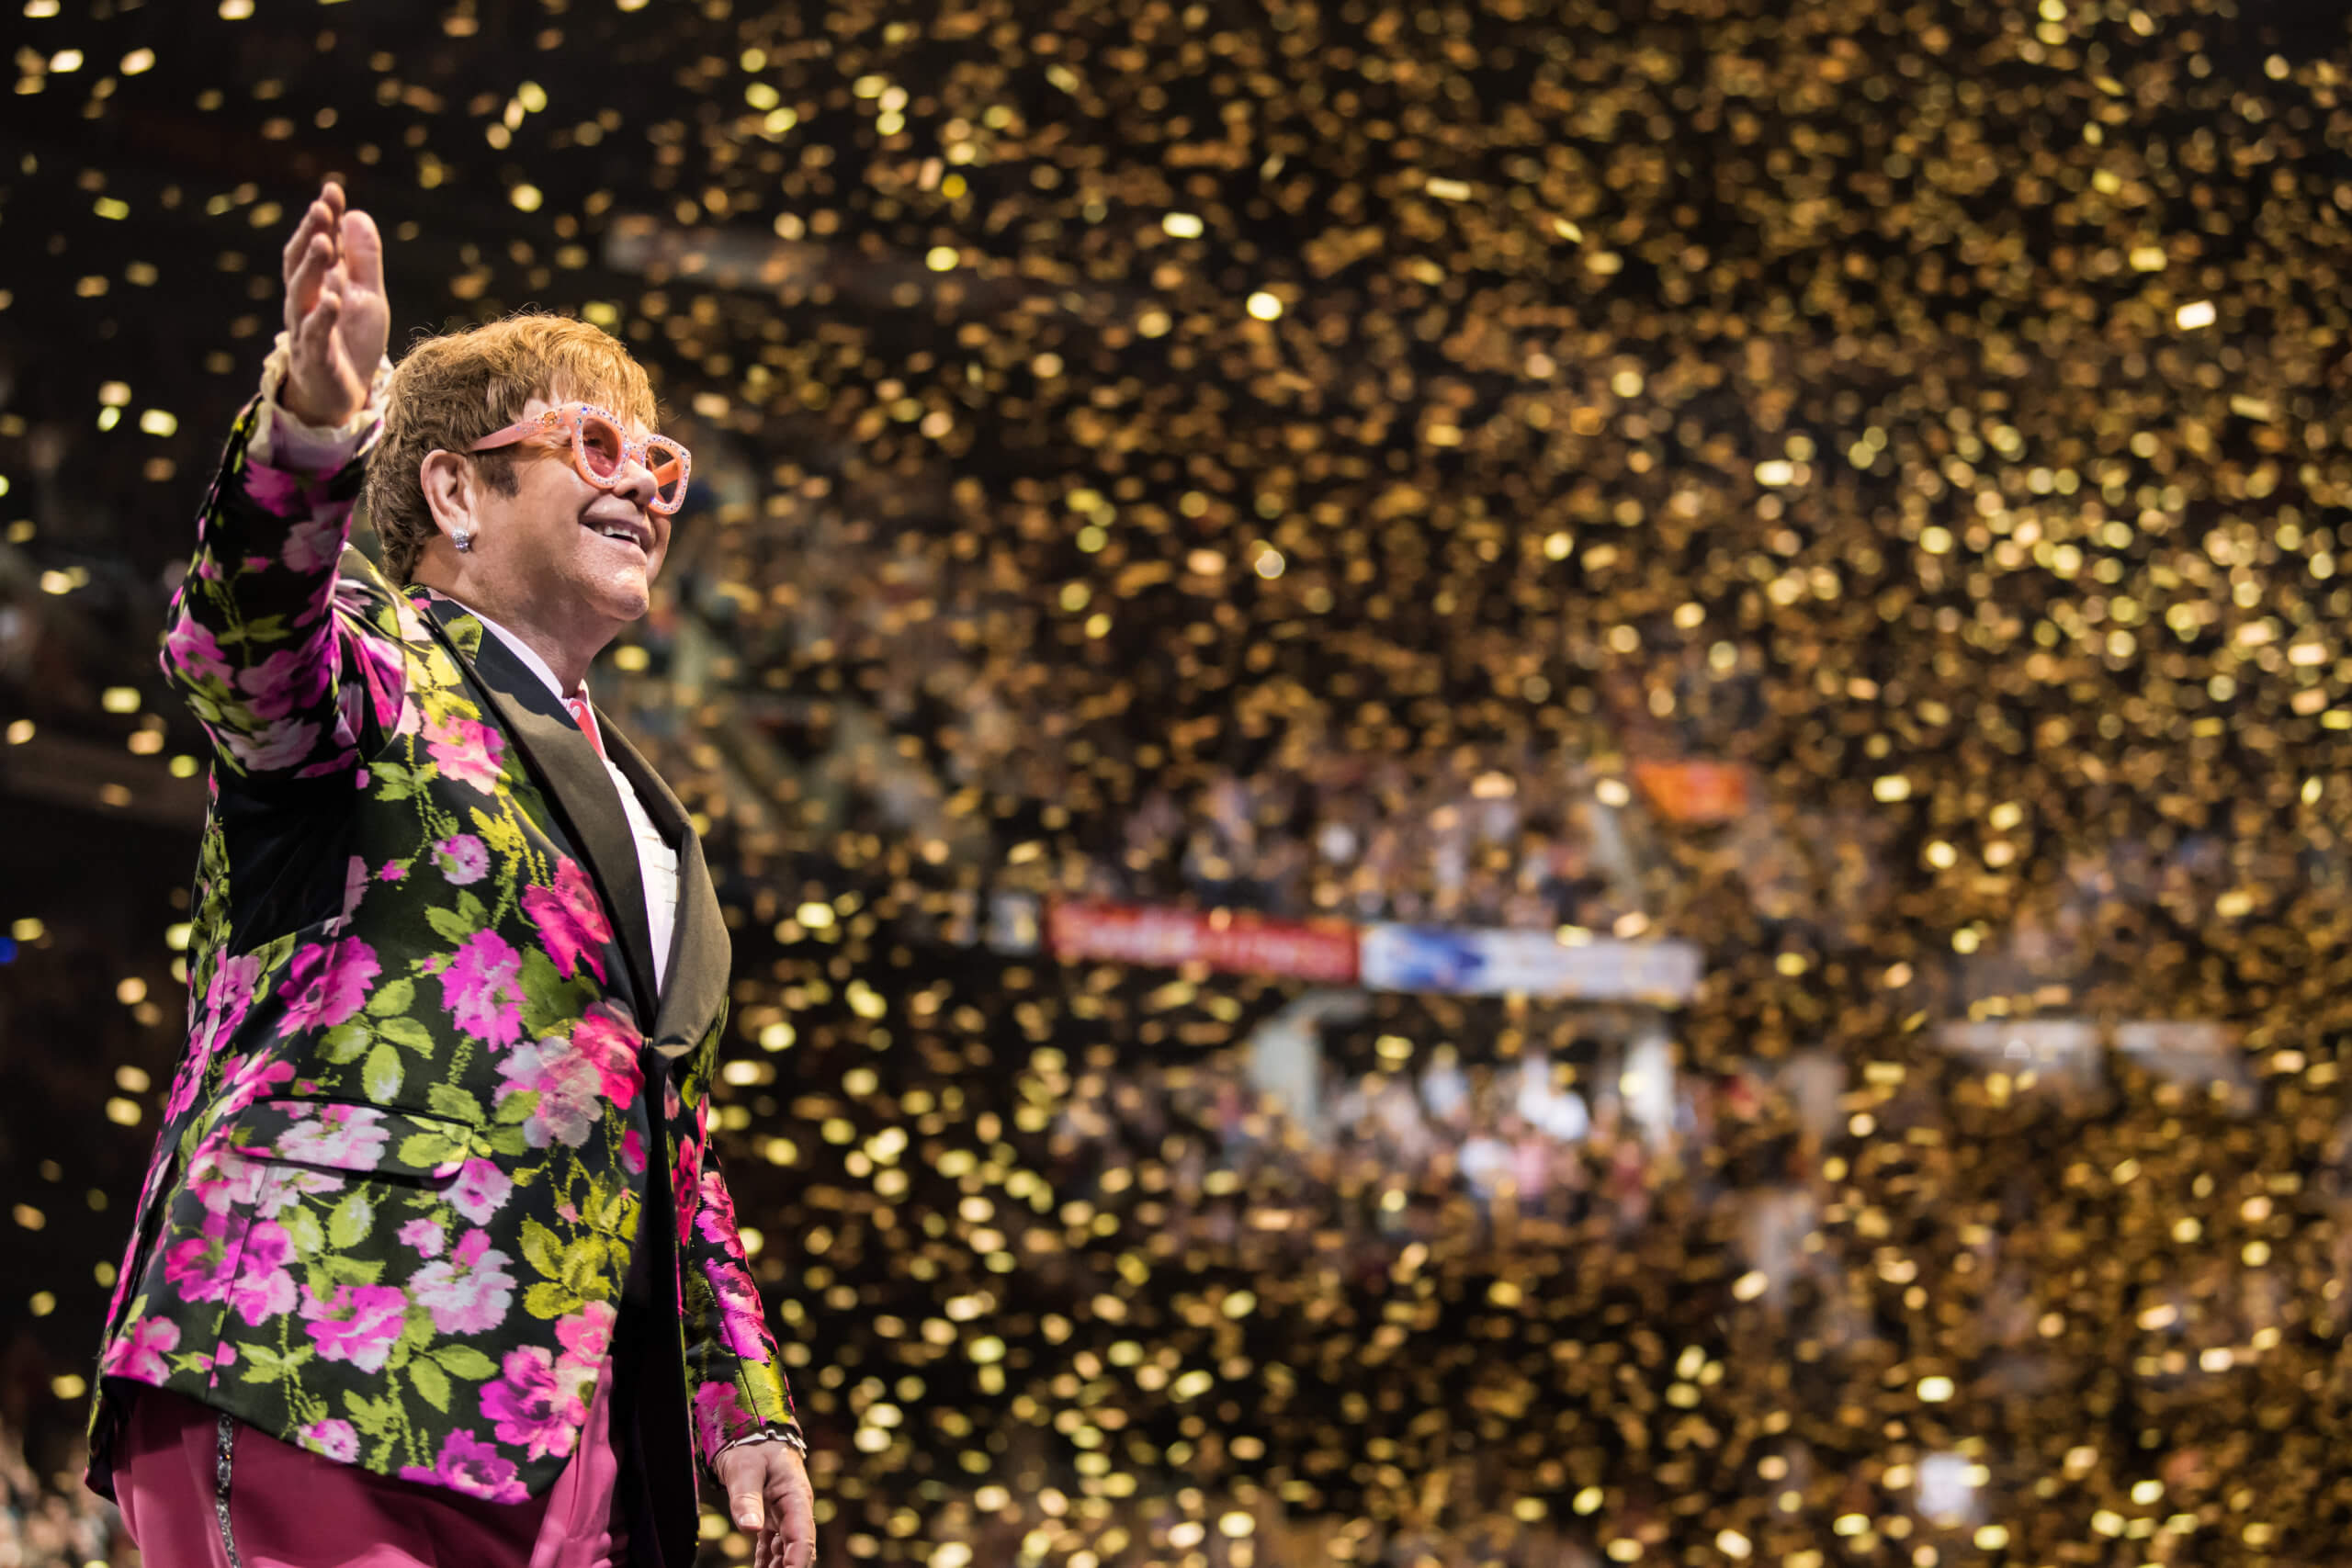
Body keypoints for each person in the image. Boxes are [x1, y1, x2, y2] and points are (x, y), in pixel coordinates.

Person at [82, 182, 819, 1568]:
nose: (639, 487)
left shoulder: (654, 819)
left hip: (566, 1442)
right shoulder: (373, 661)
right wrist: (309, 426)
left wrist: (744, 1405)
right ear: (453, 490)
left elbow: (666, 1131)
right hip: (322, 1366)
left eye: (658, 462)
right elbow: (239, 644)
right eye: (588, 443)